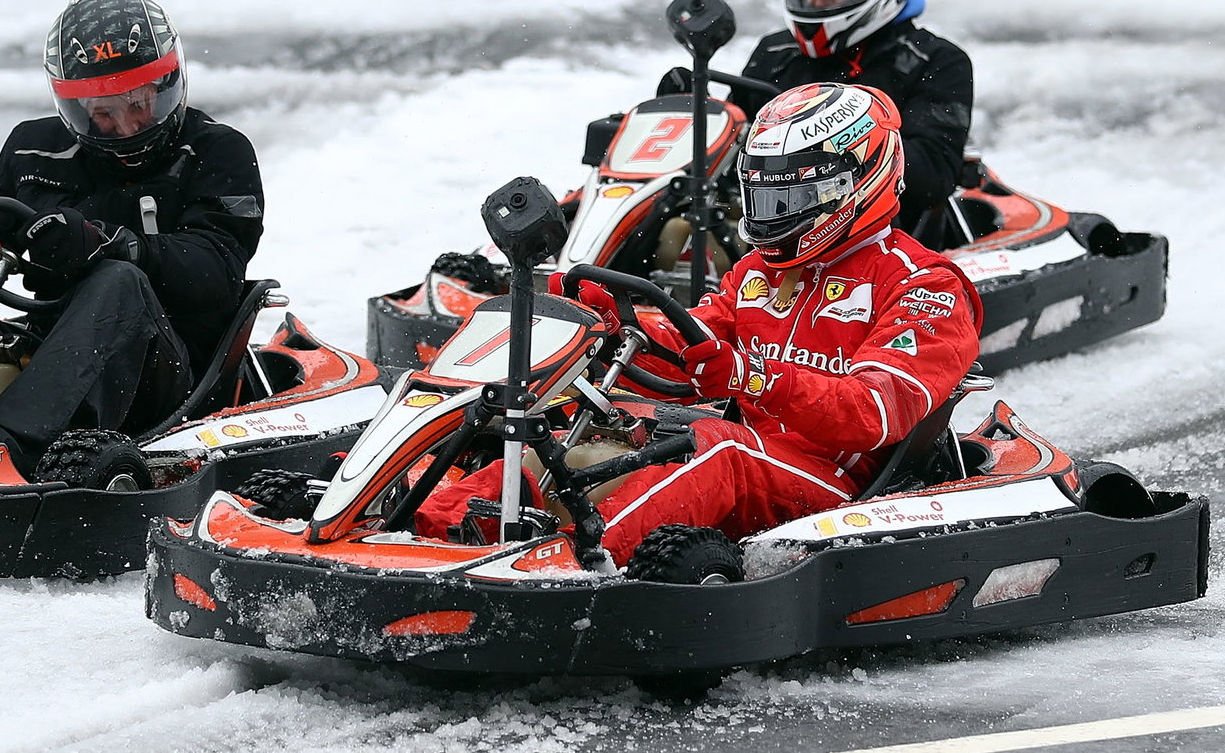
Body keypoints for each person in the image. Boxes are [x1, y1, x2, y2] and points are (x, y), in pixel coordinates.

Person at [416, 83, 981, 567]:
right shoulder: (759, 271)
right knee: (598, 425)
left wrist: (751, 378)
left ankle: (578, 564)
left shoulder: (924, 285)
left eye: (795, 195)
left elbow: (872, 413)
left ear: (856, 182)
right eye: (767, 193)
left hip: (839, 480)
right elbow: (693, 348)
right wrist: (610, 319)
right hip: (754, 443)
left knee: (715, 450)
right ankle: (427, 527)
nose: (777, 213)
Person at [0, 0, 265, 475]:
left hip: (169, 373)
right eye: (102, 112)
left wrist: (112, 246)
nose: (127, 127)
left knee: (118, 282)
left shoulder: (218, 152)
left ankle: (2, 453)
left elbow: (217, 271)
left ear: (168, 84)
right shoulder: (32, 150)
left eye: (140, 103)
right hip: (51, 351)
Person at [661, 0, 973, 231]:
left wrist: (824, 150)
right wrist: (695, 107)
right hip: (767, 222)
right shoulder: (776, 50)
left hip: (867, 236)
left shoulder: (937, 61)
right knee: (674, 232)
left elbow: (931, 178)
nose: (817, 0)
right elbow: (735, 144)